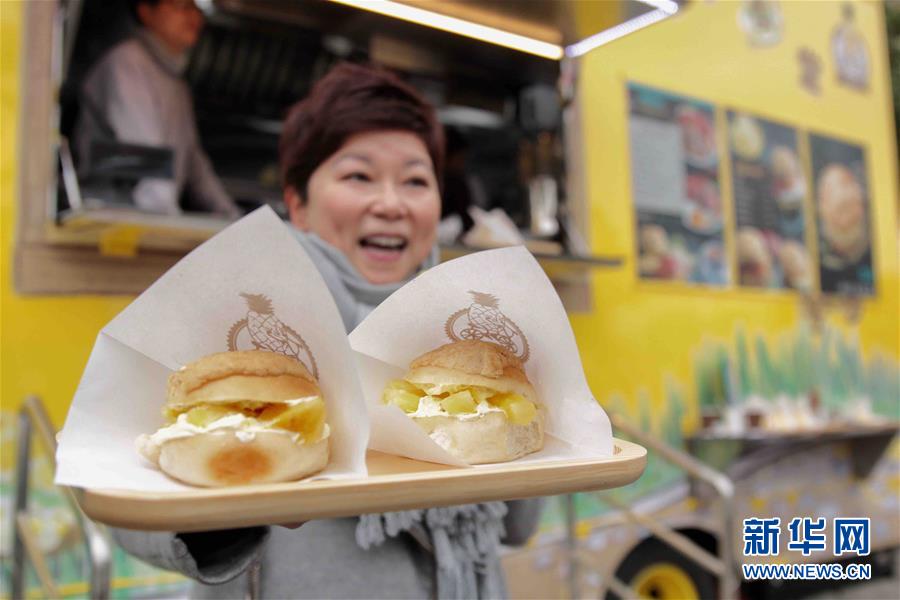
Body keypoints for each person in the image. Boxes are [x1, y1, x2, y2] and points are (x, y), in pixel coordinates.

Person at [113, 63, 543, 599]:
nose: (390, 204)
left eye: (415, 180)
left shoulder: (471, 340)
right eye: (358, 176)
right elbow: (121, 496)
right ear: (298, 204)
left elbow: (517, 527)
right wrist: (232, 491)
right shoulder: (241, 326)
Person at [73, 0, 239, 218]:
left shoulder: (177, 84)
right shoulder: (126, 64)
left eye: (196, 8)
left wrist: (233, 217)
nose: (194, 17)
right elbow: (148, 159)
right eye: (182, 7)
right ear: (146, 12)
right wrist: (168, 222)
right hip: (112, 217)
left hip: (150, 214)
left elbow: (196, 167)